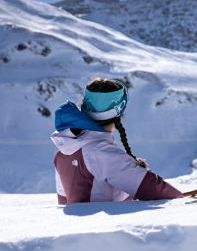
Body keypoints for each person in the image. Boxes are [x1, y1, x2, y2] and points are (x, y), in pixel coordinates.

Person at [51, 78, 183, 204]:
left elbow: (64, 200)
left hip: (80, 225)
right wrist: (181, 199)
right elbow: (150, 187)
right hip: (102, 225)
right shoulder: (101, 151)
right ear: (119, 111)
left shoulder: (64, 148)